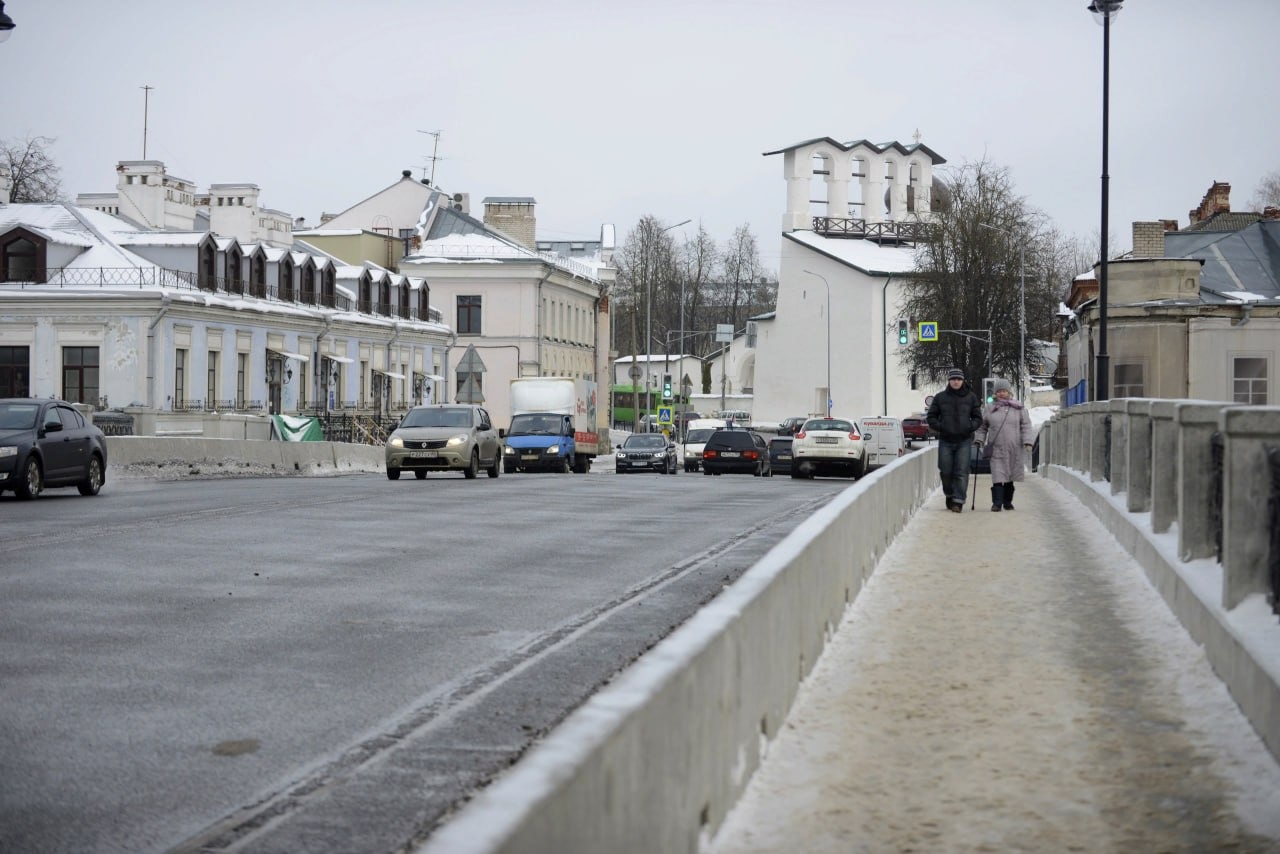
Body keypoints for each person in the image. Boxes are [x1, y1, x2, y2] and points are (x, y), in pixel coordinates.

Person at [926, 368, 983, 513]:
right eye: (953, 379)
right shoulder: (940, 398)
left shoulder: (971, 397)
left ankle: (958, 501)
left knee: (961, 471)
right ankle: (949, 494)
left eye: (958, 379)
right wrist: (941, 427)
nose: (956, 382)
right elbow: (931, 417)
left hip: (964, 440)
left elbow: (978, 418)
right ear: (949, 381)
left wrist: (969, 427)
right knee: (945, 471)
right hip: (945, 439)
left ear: (962, 381)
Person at [973, 378, 1035, 511]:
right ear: (995, 393)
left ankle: (1007, 502)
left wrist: (1028, 441)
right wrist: (979, 439)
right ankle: (997, 503)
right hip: (996, 448)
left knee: (1009, 476)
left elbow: (1026, 425)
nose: (1001, 393)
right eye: (999, 391)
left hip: (1014, 448)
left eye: (1004, 391)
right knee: (997, 475)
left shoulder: (1018, 407)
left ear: (1009, 392)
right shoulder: (989, 408)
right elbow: (982, 427)